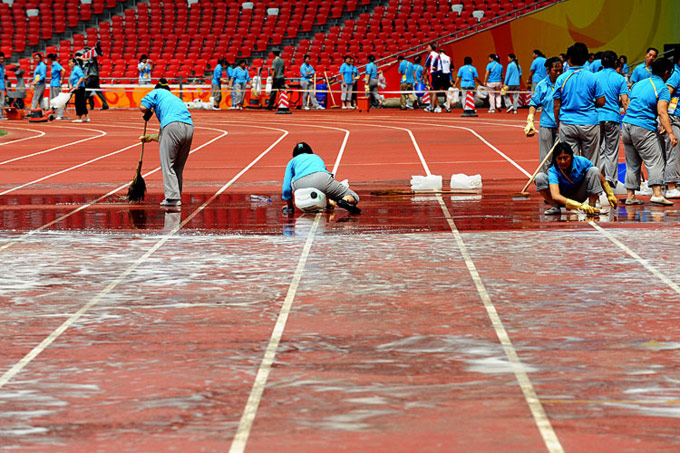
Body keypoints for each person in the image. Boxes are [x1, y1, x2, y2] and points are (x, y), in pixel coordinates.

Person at [622, 58, 677, 205]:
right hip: (643, 126)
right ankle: (657, 193)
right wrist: (671, 133)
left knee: (632, 163)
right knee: (655, 160)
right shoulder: (662, 88)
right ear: (666, 73)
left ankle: (630, 196)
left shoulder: (638, 84)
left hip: (626, 125)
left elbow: (627, 102)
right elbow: (662, 112)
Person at [139, 78, 194, 208]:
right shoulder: (175, 99)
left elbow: (143, 107)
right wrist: (151, 137)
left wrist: (148, 110)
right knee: (177, 167)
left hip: (171, 127)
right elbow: (172, 133)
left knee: (168, 165)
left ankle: (172, 198)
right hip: (189, 128)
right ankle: (176, 196)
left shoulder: (156, 92)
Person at [553, 42, 605, 167]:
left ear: (569, 59)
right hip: (589, 124)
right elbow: (601, 101)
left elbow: (556, 106)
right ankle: (591, 186)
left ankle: (574, 186)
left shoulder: (561, 78)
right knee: (592, 162)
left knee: (570, 161)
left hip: (568, 123)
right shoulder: (593, 77)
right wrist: (591, 104)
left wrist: (558, 124)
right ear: (586, 59)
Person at [535, 142, 618, 215]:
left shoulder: (581, 161)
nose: (563, 161)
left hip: (579, 195)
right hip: (562, 198)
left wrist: (609, 194)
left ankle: (592, 207)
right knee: (539, 177)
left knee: (594, 170)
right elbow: (556, 196)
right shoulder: (553, 170)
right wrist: (580, 206)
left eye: (566, 157)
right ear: (555, 159)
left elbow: (599, 175)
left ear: (571, 156)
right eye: (559, 158)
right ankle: (555, 207)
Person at [282, 142, 360, 215]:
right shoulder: (316, 157)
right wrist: (328, 204)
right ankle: (345, 200)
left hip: (299, 184)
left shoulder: (292, 161)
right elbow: (325, 186)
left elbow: (286, 188)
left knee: (293, 179)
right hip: (321, 179)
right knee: (353, 195)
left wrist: (290, 207)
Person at [596, 50, 629, 188]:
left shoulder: (594, 77)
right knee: (612, 151)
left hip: (596, 117)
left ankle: (598, 179)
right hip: (613, 117)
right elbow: (625, 101)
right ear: (615, 62)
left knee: (598, 150)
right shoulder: (620, 78)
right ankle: (610, 180)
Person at [525, 57, 563, 174]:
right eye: (555, 70)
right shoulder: (542, 85)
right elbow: (533, 104)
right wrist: (530, 120)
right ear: (548, 70)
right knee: (546, 158)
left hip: (563, 125)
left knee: (562, 158)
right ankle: (546, 183)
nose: (558, 73)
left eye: (560, 71)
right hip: (546, 125)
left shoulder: (565, 84)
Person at [664, 47, 680, 198]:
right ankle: (670, 185)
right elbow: (666, 95)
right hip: (674, 118)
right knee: (674, 149)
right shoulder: (676, 74)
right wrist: (664, 120)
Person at [68, 57, 88, 123]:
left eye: (70, 63)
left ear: (74, 63)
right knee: (82, 102)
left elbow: (82, 77)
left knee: (78, 102)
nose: (69, 64)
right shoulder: (73, 70)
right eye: (68, 63)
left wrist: (77, 85)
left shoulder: (77, 69)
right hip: (76, 87)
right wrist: (71, 85)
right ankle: (86, 116)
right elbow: (71, 79)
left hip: (80, 88)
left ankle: (79, 117)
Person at [424, 42, 443, 112]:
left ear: (431, 48)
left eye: (428, 47)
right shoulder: (438, 55)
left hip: (432, 74)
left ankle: (433, 106)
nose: (426, 48)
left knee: (433, 91)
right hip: (439, 74)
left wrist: (423, 75)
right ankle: (434, 105)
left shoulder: (430, 55)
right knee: (434, 90)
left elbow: (426, 66)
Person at [46, 53, 65, 120]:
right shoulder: (52, 66)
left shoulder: (56, 64)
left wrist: (62, 80)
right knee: (52, 100)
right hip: (52, 84)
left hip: (56, 84)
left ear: (50, 59)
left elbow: (63, 70)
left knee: (58, 100)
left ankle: (60, 114)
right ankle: (51, 113)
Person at [0, 51, 6, 120]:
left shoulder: (2, 66)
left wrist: (5, 86)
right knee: (1, 102)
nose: (2, 60)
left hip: (2, 86)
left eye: (2, 59)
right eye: (0, 59)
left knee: (2, 101)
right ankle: (0, 115)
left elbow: (3, 77)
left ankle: (1, 114)